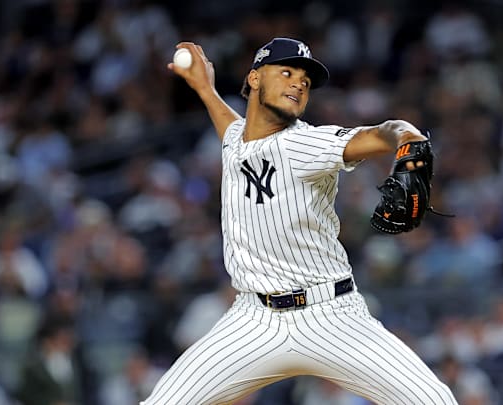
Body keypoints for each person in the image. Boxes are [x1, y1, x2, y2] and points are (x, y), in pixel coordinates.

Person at [141, 37, 457, 404]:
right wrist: (205, 88)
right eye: (287, 72)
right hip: (254, 321)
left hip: (332, 317)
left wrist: (404, 133)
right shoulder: (235, 141)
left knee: (435, 401)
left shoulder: (306, 145)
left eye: (305, 82)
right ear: (255, 79)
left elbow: (375, 135)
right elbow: (231, 128)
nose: (298, 84)